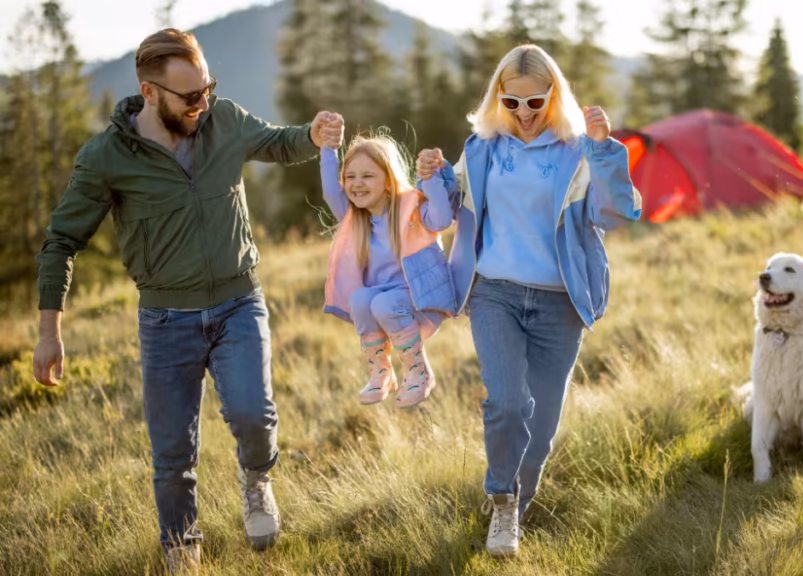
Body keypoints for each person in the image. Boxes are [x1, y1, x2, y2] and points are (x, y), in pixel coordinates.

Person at [31, 28, 342, 573]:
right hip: (165, 319)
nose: (204, 103)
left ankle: (256, 479)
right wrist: (48, 331)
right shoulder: (106, 158)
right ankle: (182, 548)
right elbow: (61, 242)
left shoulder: (223, 119)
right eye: (190, 96)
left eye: (207, 88)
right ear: (148, 92)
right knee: (172, 453)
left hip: (238, 301)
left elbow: (277, 141)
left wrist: (313, 134)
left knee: (253, 415)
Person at [416, 44, 642, 560]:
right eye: (511, 102)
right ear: (499, 97)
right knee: (508, 403)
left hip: (559, 303)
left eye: (534, 102)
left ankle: (517, 502)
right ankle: (501, 499)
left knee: (540, 430)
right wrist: (433, 176)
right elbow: (444, 212)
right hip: (493, 293)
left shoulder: (579, 151)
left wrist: (606, 148)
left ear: (553, 96)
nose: (522, 114)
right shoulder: (482, 146)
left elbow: (617, 213)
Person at [320, 130, 457, 407]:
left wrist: (430, 179)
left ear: (387, 180)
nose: (357, 184)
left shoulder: (412, 207)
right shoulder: (354, 218)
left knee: (383, 302)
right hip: (387, 309)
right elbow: (329, 191)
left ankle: (419, 370)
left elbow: (443, 219)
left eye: (367, 176)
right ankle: (381, 372)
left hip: (422, 301)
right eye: (350, 176)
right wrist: (327, 148)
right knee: (359, 299)